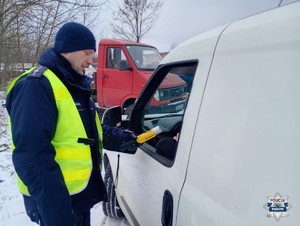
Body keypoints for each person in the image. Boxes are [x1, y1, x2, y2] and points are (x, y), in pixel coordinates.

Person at [5, 22, 135, 226]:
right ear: (68, 49)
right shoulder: (36, 86)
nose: (91, 61)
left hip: (77, 200)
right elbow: (32, 158)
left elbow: (88, 132)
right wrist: (58, 216)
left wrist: (125, 139)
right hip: (58, 205)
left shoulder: (72, 86)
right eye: (87, 53)